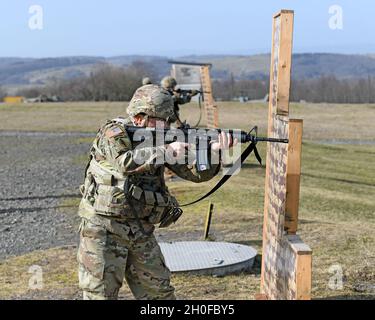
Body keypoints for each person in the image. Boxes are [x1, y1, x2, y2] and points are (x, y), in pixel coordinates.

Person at [77, 84, 235, 300]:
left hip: (140, 228)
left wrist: (214, 152)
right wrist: (166, 151)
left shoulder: (162, 137)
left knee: (160, 294)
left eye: (167, 120)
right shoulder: (113, 133)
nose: (165, 125)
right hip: (103, 228)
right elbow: (125, 163)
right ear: (140, 117)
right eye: (160, 119)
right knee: (100, 295)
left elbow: (194, 174)